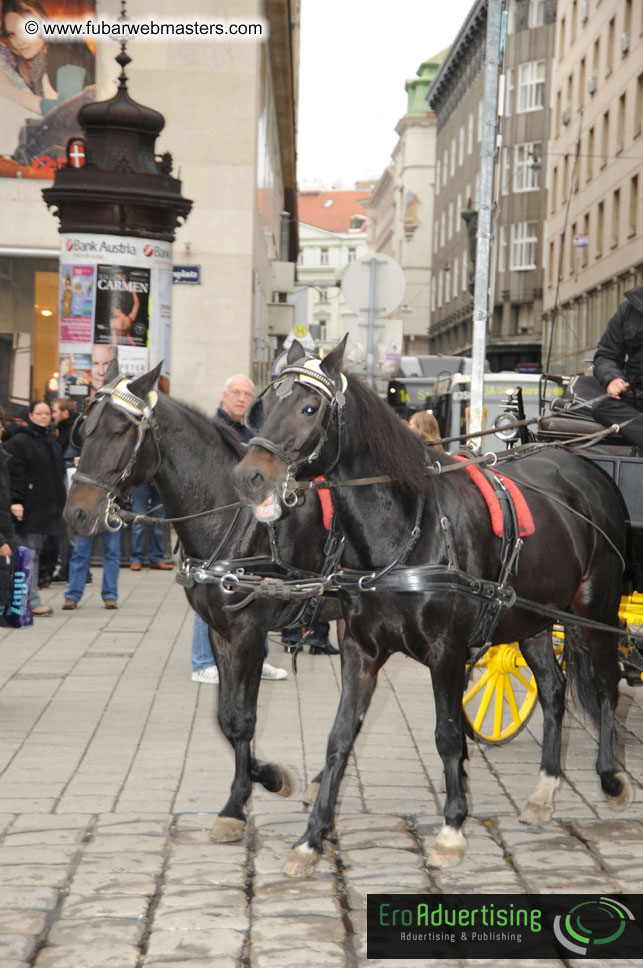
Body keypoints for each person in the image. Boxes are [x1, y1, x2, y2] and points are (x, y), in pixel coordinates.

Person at [191, 374, 287, 683]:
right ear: (223, 395)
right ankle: (203, 661)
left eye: (247, 393)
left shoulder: (252, 434)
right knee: (208, 588)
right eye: (236, 392)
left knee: (256, 589)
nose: (242, 398)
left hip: (249, 523)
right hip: (216, 523)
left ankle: (258, 658)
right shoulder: (209, 431)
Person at [3, 399, 65, 616]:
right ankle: (28, 602)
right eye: (39, 413)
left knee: (33, 553)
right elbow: (15, 474)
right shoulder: (20, 442)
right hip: (27, 509)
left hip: (45, 509)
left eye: (47, 413)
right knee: (27, 554)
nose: (43, 416)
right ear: (30, 415)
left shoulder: (50, 442)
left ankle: (23, 600)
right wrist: (16, 501)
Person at [591, 287, 643, 449]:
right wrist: (612, 378)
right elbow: (606, 354)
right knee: (603, 406)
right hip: (637, 394)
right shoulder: (629, 309)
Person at [62, 528, 121, 611]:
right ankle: (72, 595)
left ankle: (110, 595)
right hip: (87, 517)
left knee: (112, 553)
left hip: (112, 516)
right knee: (79, 553)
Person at [129, 481, 174, 571]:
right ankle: (136, 559)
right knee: (139, 521)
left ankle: (157, 559)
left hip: (160, 481)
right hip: (142, 480)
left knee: (158, 523)